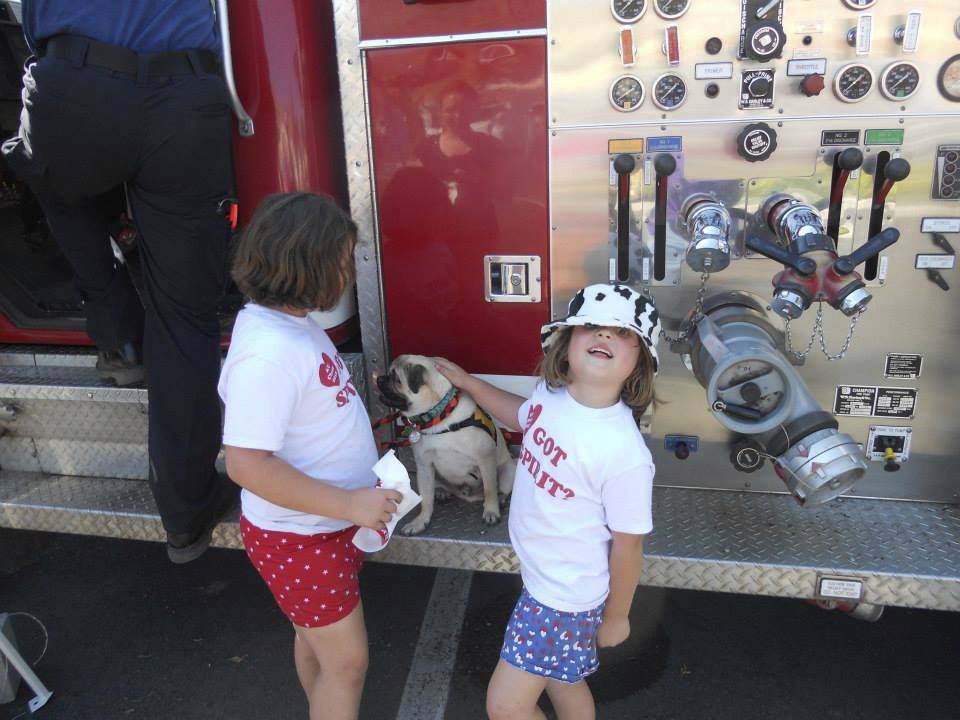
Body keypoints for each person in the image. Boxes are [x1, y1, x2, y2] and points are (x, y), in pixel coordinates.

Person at [1, 1, 237, 562]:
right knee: (185, 320)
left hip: (72, 87)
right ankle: (185, 515)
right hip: (183, 98)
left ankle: (115, 322)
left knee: (42, 171)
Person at [435, 283, 661, 720]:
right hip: (545, 579)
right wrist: (467, 383)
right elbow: (520, 415)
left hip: (562, 597)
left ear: (639, 366)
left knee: (505, 706)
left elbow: (629, 545)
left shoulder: (623, 453)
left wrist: (618, 616)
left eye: (622, 332)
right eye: (591, 327)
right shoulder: (550, 396)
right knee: (563, 680)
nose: (605, 336)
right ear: (566, 344)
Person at [218, 193, 403, 720]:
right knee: (347, 665)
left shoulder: (290, 325)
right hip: (300, 537)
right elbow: (247, 465)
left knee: (320, 646)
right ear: (308, 265)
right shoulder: (269, 354)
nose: (349, 271)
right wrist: (349, 503)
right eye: (343, 261)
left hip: (319, 527)